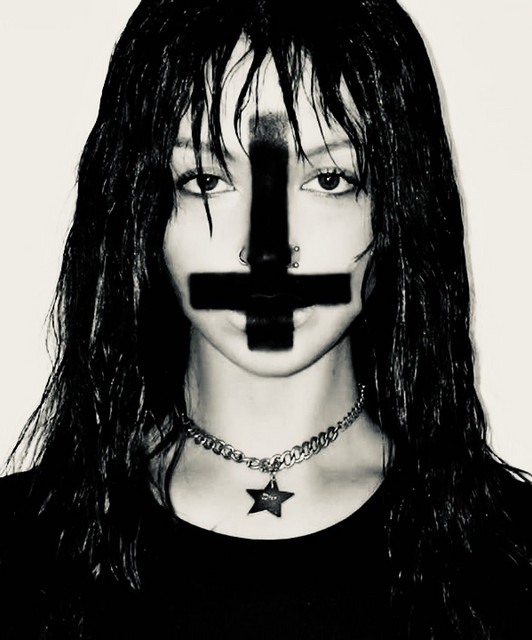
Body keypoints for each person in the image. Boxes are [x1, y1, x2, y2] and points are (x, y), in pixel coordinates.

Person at [1, 0, 531, 637]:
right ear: (140, 211)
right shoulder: (18, 555)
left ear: (400, 205)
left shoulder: (514, 561)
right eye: (205, 180)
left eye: (329, 179)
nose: (267, 249)